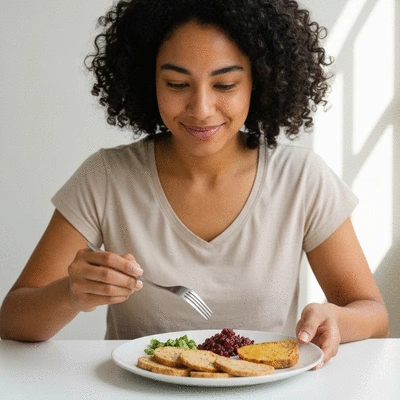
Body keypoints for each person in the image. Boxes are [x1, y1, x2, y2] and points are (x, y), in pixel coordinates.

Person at [0, 0, 388, 368]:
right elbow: (13, 319)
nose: (201, 109)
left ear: (260, 81)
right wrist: (71, 294)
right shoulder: (107, 176)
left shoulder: (301, 178)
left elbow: (372, 313)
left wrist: (334, 318)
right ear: (147, 79)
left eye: (224, 85)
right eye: (176, 84)